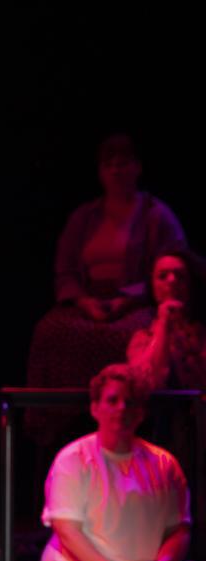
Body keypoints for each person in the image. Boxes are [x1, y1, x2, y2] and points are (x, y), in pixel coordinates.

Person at [41, 363, 206, 561]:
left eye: (130, 402)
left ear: (141, 412)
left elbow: (179, 531)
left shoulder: (164, 464)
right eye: (112, 400)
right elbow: (69, 533)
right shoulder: (74, 459)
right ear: (95, 408)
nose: (121, 408)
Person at [27, 133, 186, 389]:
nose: (115, 171)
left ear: (137, 167)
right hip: (88, 302)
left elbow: (173, 264)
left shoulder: (156, 215)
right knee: (50, 332)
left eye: (122, 164)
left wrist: (128, 299)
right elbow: (65, 268)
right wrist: (83, 301)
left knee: (132, 335)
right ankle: (62, 408)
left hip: (138, 302)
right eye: (108, 165)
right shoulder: (84, 217)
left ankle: (127, 402)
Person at [127, 248, 206, 391]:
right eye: (163, 276)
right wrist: (164, 323)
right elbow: (149, 381)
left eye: (180, 276)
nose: (172, 280)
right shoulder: (142, 337)